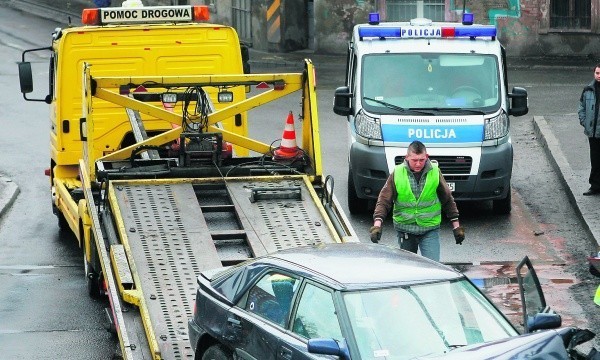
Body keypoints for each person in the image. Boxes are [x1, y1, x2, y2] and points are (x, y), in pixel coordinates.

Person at [369, 141, 464, 262]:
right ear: (407, 157)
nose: (418, 164)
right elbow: (384, 200)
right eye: (414, 160)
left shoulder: (435, 172)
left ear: (427, 157)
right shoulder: (397, 173)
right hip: (406, 229)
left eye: (421, 160)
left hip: (429, 229)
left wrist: (456, 226)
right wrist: (377, 225)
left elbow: (447, 199)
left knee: (433, 267)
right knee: (409, 269)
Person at [578, 63, 600, 196]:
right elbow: (581, 107)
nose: (599, 76)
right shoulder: (588, 90)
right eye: (597, 73)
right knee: (595, 160)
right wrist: (585, 122)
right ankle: (595, 186)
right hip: (592, 133)